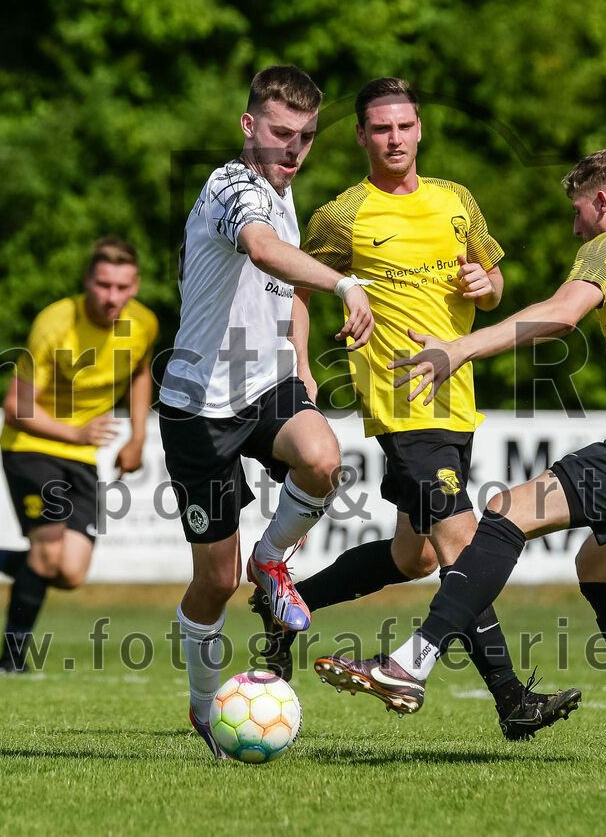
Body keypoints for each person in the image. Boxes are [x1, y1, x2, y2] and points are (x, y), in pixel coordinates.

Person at [316, 147, 606, 765]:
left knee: (507, 511)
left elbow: (560, 315)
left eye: (578, 211)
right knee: (597, 567)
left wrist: (459, 349)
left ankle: (410, 663)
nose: (575, 228)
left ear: (604, 202)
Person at [257, 77, 579, 741]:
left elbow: (491, 286)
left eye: (404, 126)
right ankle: (513, 701)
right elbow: (299, 285)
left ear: (420, 129)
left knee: (416, 559)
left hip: (457, 402)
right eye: (380, 129)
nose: (394, 138)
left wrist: (484, 285)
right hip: (402, 405)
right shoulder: (343, 214)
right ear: (361, 136)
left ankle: (290, 603)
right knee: (464, 546)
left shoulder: (456, 200)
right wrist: (299, 368)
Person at [157, 65, 374, 761]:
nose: (294, 148)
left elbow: (284, 287)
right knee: (213, 583)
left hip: (265, 385)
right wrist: (345, 282)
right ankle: (202, 707)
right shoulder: (231, 187)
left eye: (306, 136)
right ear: (249, 127)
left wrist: (301, 362)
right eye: (281, 132)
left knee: (322, 457)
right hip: (198, 407)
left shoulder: (283, 193)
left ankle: (272, 560)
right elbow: (261, 250)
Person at [0, 237, 158, 673]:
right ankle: (11, 662)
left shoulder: (144, 323)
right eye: (103, 285)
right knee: (46, 556)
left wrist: (137, 437)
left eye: (121, 286)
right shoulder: (55, 324)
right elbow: (16, 407)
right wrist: (75, 432)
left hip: (81, 453)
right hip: (31, 446)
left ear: (135, 285)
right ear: (87, 282)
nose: (111, 296)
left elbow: (139, 371)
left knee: (71, 573)